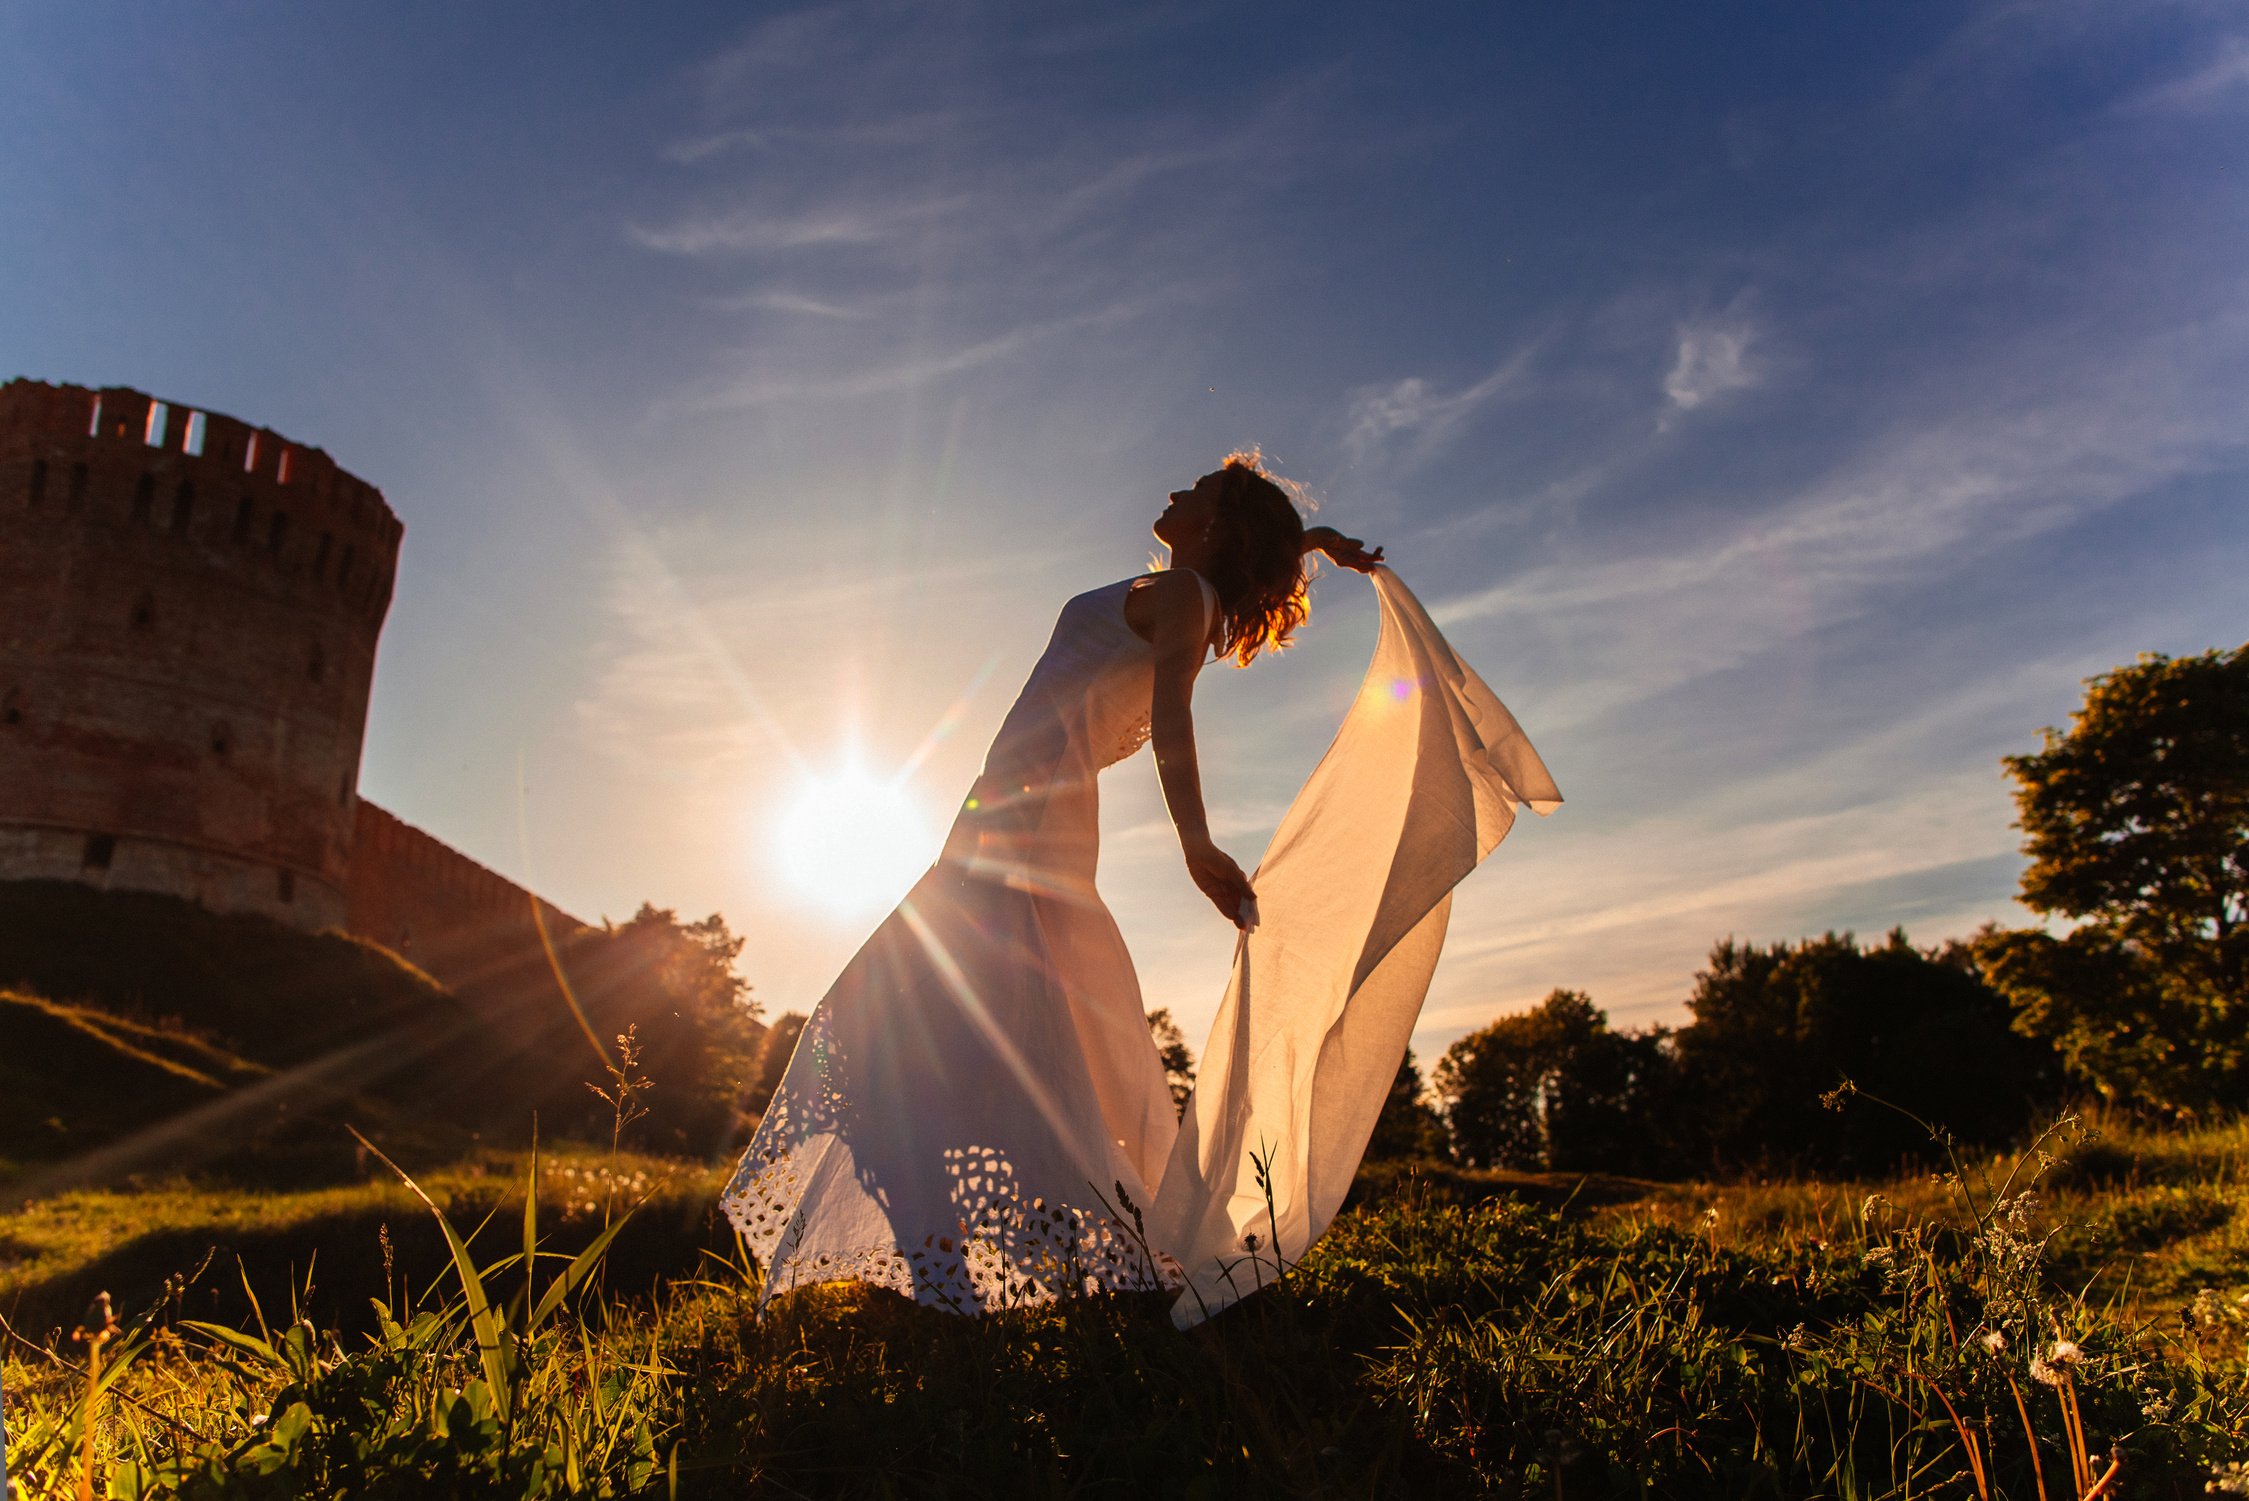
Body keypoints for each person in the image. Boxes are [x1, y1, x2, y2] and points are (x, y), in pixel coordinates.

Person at [722, 452, 1554, 1322]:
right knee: (957, 1016)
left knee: (923, 1016)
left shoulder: (1190, 601)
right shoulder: (1193, 596)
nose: (1172, 491)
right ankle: (967, 1265)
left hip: (1023, 819)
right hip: (1013, 812)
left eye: (1195, 490)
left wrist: (1194, 844)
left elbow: (1171, 721)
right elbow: (1211, 607)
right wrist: (1308, 542)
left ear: (1218, 524)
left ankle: (959, 1280)